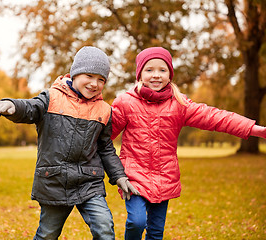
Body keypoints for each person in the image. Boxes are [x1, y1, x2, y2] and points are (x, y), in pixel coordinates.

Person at [110, 46, 266, 240]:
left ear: (170, 75)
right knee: (137, 222)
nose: (156, 75)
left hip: (164, 176)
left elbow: (214, 117)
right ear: (139, 74)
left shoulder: (179, 104)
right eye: (149, 70)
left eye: (162, 70)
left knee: (156, 232)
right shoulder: (125, 102)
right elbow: (104, 136)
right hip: (134, 177)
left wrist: (254, 129)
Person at [0, 46, 140, 240]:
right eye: (89, 76)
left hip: (89, 182)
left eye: (101, 79)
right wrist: (13, 105)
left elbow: (106, 149)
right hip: (55, 180)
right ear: (75, 74)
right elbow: (30, 108)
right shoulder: (51, 98)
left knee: (105, 228)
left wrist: (119, 176)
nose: (95, 83)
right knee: (47, 234)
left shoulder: (104, 110)